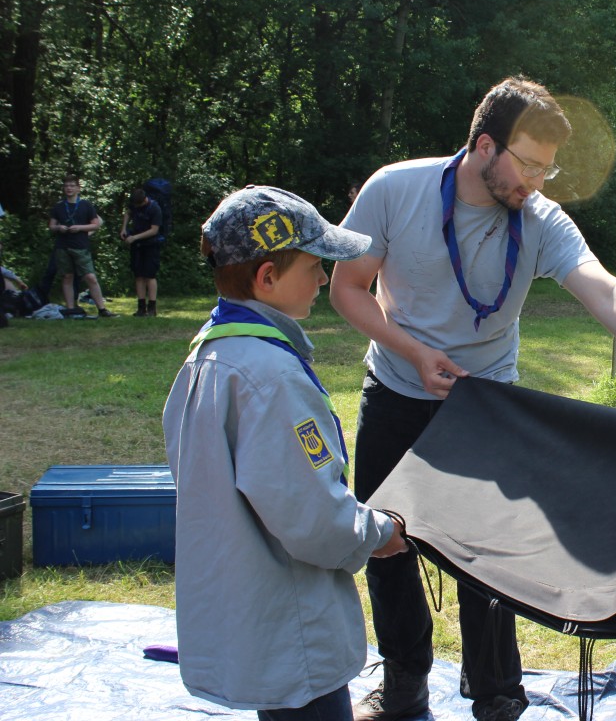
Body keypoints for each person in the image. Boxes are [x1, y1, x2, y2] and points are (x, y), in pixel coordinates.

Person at [330, 75, 616, 721]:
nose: (536, 182)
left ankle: (497, 696)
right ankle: (404, 682)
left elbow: (606, 291)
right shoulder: (395, 189)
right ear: (484, 146)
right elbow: (347, 288)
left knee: (486, 557)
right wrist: (413, 352)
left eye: (546, 170)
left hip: (487, 405)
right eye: (527, 165)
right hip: (395, 390)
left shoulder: (539, 218)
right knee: (387, 548)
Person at [163, 185, 409, 721]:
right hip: (293, 628)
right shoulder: (271, 377)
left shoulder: (212, 355)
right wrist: (379, 533)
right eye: (314, 267)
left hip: (253, 611)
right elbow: (312, 517)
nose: (323, 279)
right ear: (267, 278)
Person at [47, 174, 116, 317]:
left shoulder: (86, 205)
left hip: (80, 246)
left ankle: (102, 309)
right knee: (67, 277)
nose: (69, 188)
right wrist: (59, 228)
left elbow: (96, 225)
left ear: (78, 188)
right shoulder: (59, 206)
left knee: (90, 277)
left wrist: (80, 228)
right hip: (62, 246)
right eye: (66, 186)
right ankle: (70, 308)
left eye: (72, 186)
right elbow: (51, 226)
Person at [120, 186, 164, 316]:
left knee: (150, 276)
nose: (137, 207)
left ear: (145, 200)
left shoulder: (154, 208)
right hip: (137, 245)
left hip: (151, 245)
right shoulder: (134, 204)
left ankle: (152, 308)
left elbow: (154, 230)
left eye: (139, 205)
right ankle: (141, 307)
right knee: (138, 275)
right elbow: (128, 213)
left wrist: (135, 237)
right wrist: (124, 228)